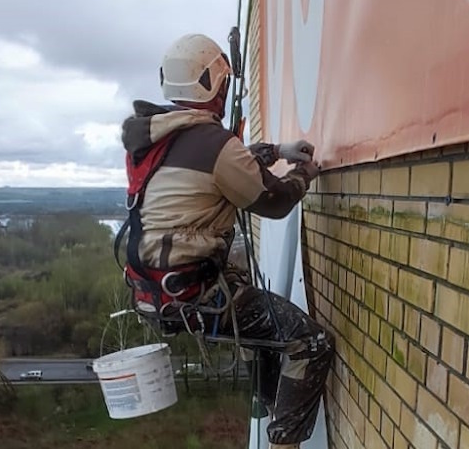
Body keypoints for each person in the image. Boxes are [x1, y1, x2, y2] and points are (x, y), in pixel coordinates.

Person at [120, 33, 334, 449]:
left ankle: (272, 409)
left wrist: (276, 150)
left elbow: (221, 162)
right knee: (311, 343)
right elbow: (274, 201)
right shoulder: (211, 143)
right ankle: (284, 443)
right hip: (195, 294)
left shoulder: (158, 139)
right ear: (216, 85)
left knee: (259, 332)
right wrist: (303, 174)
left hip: (155, 294)